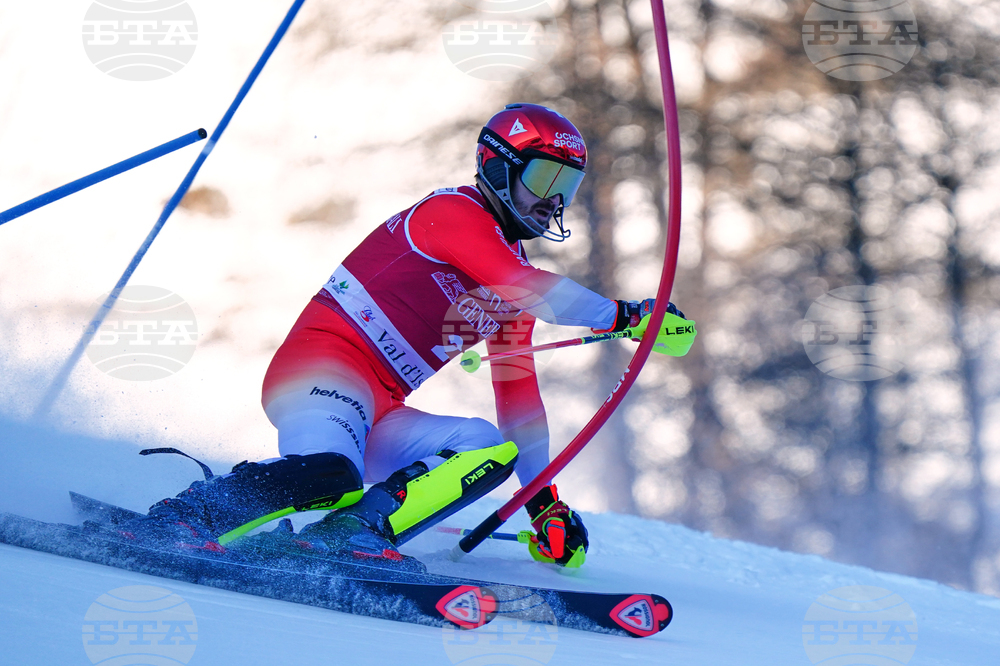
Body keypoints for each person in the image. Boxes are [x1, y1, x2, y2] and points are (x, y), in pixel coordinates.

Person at [124, 103, 688, 569]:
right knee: (332, 474)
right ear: (497, 167)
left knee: (489, 447)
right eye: (544, 178)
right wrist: (629, 316)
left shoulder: (514, 282)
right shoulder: (453, 214)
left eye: (567, 184)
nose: (553, 199)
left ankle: (349, 534)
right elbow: (529, 285)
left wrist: (540, 505)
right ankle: (186, 515)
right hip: (322, 366)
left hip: (381, 404)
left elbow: (518, 401)